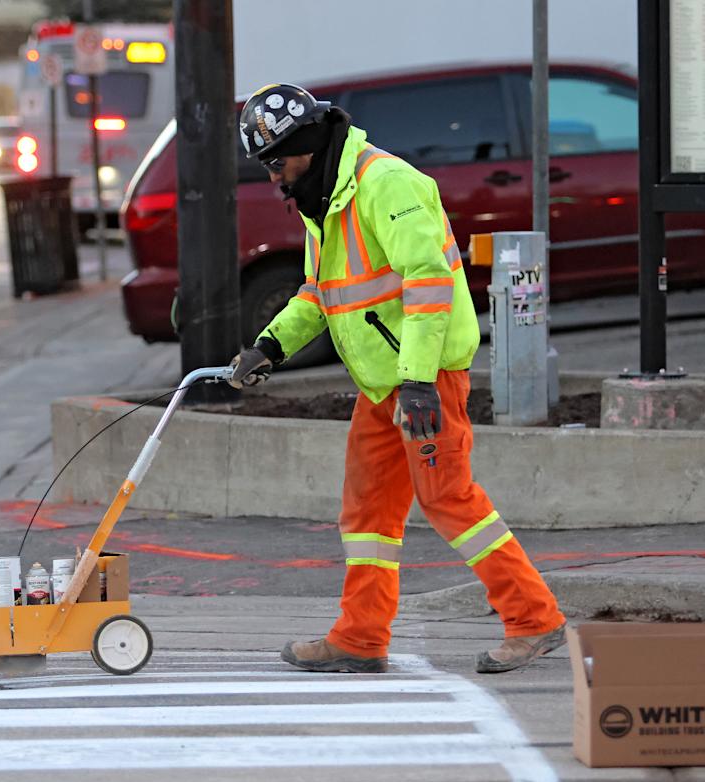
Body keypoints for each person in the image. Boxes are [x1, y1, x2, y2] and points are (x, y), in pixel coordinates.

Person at [230, 84, 566, 675]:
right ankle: (360, 637)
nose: (274, 179)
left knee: (449, 500)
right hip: (383, 384)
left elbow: (428, 282)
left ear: (305, 143)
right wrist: (270, 345)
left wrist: (417, 382)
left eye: (276, 163)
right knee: (366, 517)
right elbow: (319, 293)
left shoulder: (387, 184)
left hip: (423, 377)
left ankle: (534, 619)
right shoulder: (323, 200)